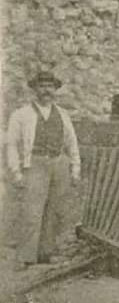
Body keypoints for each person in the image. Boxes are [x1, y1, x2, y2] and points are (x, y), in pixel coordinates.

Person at [5, 71, 81, 268]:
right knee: (32, 211)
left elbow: (72, 143)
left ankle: (46, 254)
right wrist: (16, 172)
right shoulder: (22, 115)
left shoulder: (62, 114)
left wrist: (75, 169)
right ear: (35, 89)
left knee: (54, 210)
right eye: (42, 86)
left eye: (50, 86)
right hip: (36, 163)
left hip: (59, 162)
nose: (46, 90)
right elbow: (11, 145)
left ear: (55, 89)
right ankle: (26, 256)